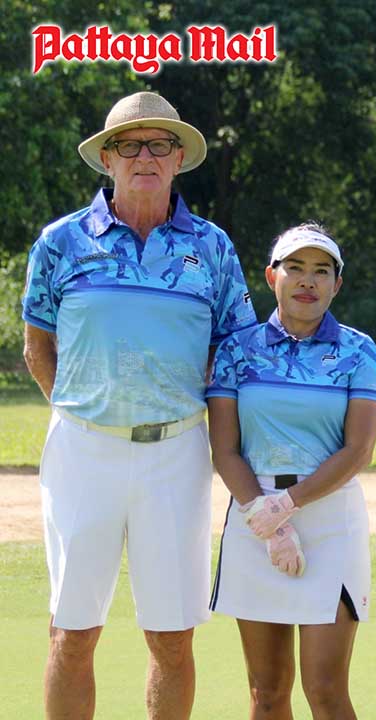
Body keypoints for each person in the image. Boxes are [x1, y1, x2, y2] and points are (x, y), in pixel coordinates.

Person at [21, 91, 257, 719]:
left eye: (159, 144)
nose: (144, 156)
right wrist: (84, 412)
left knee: (172, 639)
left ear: (179, 158)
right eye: (129, 144)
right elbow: (38, 346)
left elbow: (233, 354)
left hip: (176, 455)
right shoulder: (61, 242)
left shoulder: (212, 247)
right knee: (72, 633)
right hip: (82, 451)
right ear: (107, 158)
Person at [206, 223, 376, 719]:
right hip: (253, 517)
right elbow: (225, 450)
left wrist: (287, 506)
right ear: (272, 277)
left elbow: (358, 449)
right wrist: (267, 519)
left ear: (336, 285)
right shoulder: (238, 350)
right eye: (296, 267)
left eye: (321, 271)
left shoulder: (357, 350)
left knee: (325, 690)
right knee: (266, 693)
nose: (308, 280)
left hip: (329, 519)